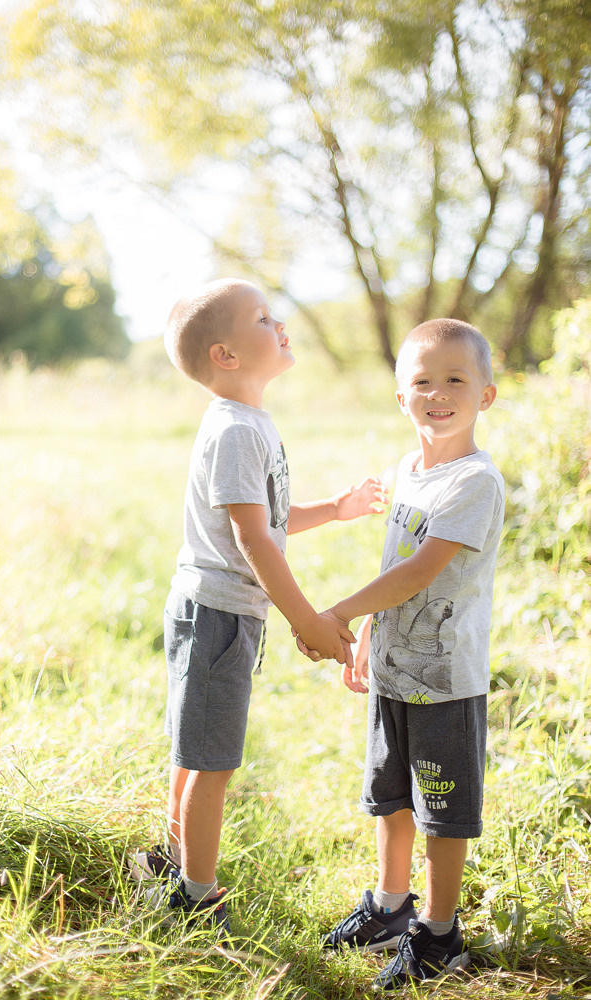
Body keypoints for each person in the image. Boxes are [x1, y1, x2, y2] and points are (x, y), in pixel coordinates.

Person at [132, 278, 387, 934]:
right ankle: (195, 894)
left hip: (213, 610)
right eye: (264, 318)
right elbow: (250, 541)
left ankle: (172, 864)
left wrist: (333, 509)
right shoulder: (237, 429)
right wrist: (305, 618)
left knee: (195, 752)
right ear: (226, 355)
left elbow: (265, 520)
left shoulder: (248, 424)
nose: (282, 324)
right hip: (217, 613)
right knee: (211, 761)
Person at [299, 319, 504, 989]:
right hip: (393, 673)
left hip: (444, 681)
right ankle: (389, 908)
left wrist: (339, 612)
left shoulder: (473, 483)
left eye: (454, 380)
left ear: (485, 395)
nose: (437, 394)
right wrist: (367, 632)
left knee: (441, 810)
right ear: (398, 397)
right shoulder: (407, 472)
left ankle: (440, 935)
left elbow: (419, 572)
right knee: (389, 798)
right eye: (421, 381)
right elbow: (393, 562)